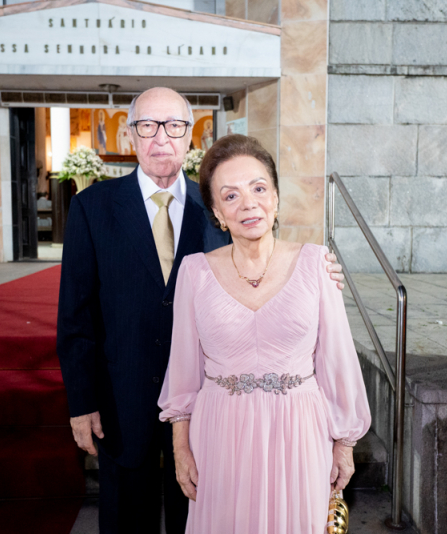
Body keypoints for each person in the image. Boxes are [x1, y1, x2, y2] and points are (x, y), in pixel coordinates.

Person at [56, 88, 346, 534]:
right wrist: (81, 401)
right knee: (124, 519)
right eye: (147, 126)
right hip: (122, 396)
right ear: (131, 134)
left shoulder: (217, 204)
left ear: (189, 136)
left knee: (197, 517)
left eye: (174, 126)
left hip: (209, 410)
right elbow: (75, 315)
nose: (161, 138)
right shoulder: (92, 207)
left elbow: (262, 269)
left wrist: (321, 277)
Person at [158, 134, 371, 534]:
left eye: (258, 188)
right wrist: (180, 446)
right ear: (217, 212)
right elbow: (184, 368)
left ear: (275, 198)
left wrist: (344, 445)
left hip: (300, 433)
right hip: (220, 434)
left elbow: (337, 359)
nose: (249, 203)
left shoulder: (317, 263)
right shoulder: (193, 272)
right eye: (231, 195)